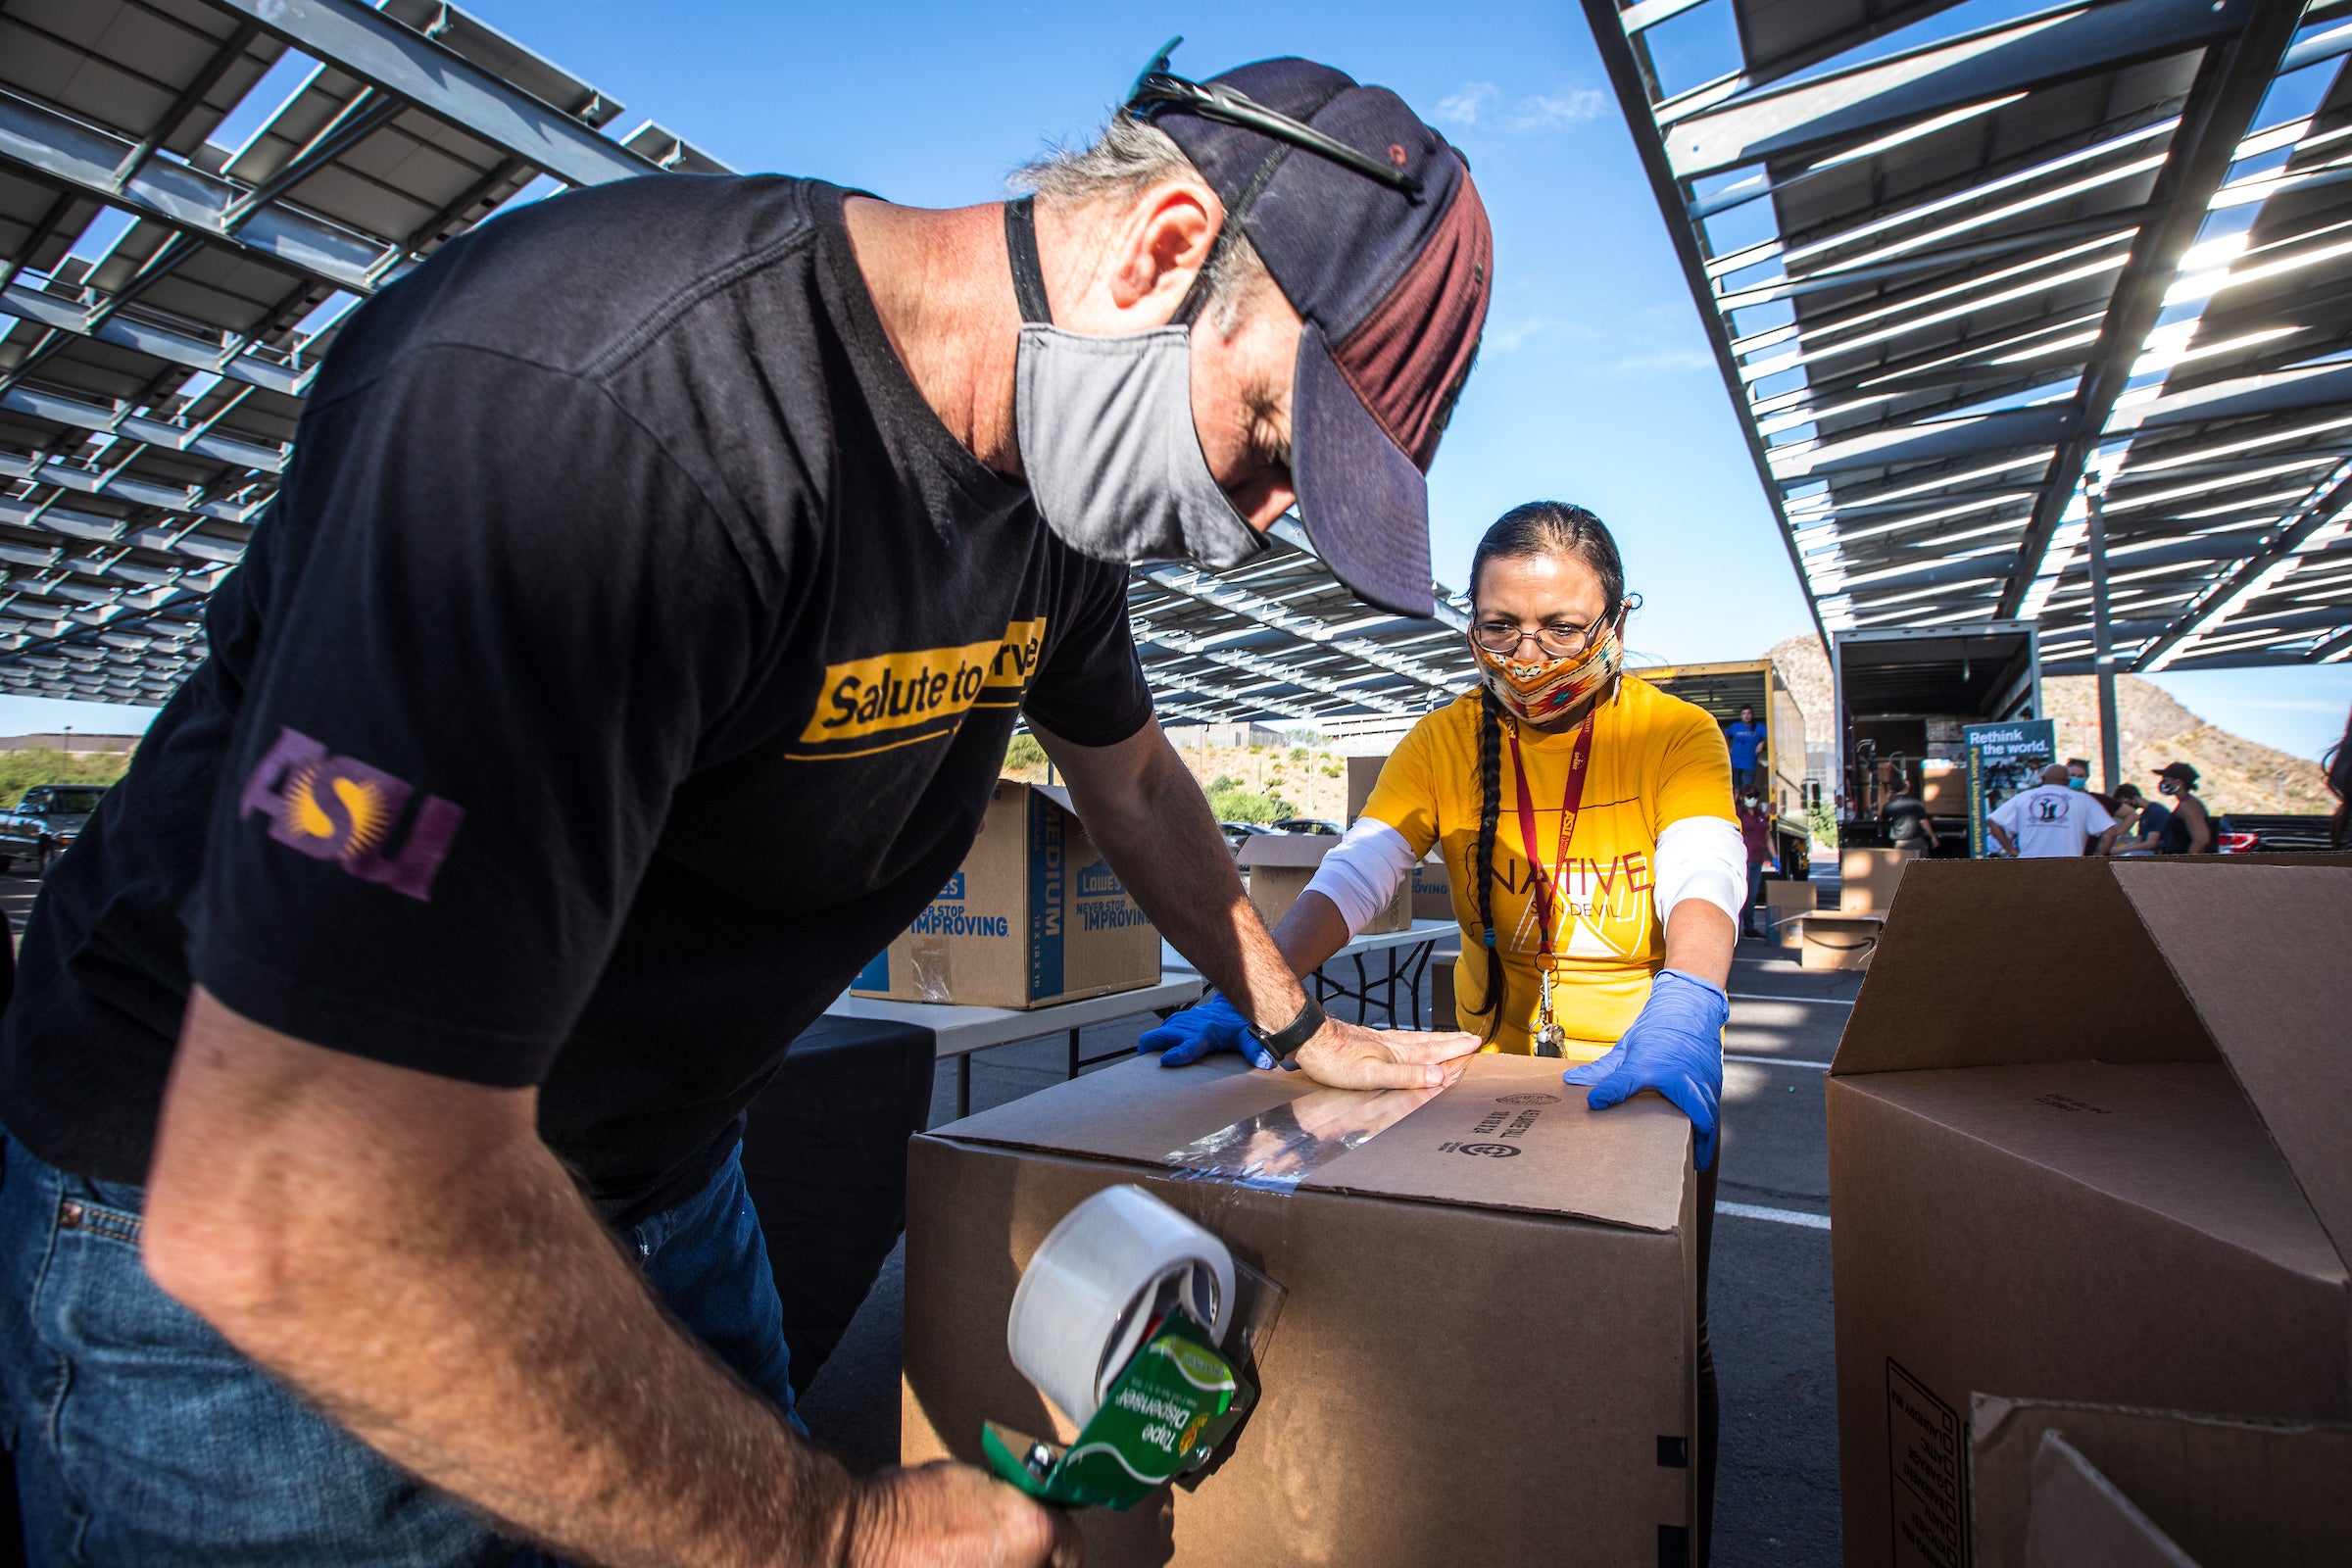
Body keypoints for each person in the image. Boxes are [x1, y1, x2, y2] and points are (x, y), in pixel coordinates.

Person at [0, 51, 1494, 1567]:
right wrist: (830, 1535)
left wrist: (1296, 1019)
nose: (1256, 525)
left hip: (653, 1175)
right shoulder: (598, 414)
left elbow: (1137, 777)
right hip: (288, 1257)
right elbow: (299, 1185)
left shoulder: (1050, 505)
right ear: (1162, 247)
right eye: (1269, 445)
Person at [1141, 502, 1740, 1562]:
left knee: (1660, 1340)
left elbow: (1704, 871)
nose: (1529, 655)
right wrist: (1256, 985)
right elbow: (1356, 877)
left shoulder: (1670, 733)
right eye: (1499, 627)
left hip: (1641, 1078)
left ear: (1619, 616)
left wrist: (1691, 1001)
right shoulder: (1448, 739)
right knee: (1497, 1315)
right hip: (1493, 1081)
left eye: (1561, 626)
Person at [1988, 763, 2118, 858]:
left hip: (2029, 865)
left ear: (2043, 779)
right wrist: (2098, 855)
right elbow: (2110, 832)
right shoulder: (2084, 800)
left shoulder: (2023, 798)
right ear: (2068, 781)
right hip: (2070, 867)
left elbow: (1993, 821)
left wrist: (2011, 850)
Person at [2149, 761, 2216, 854]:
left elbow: (2201, 840)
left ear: (2179, 782)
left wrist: (2188, 864)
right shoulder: (2186, 803)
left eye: (2166, 779)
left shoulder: (2188, 806)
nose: (2163, 782)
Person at [1737, 787, 1776, 938]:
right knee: (1741, 895)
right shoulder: (1739, 813)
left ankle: (1750, 927)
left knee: (1752, 896)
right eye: (1749, 796)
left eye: (1755, 796)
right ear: (1743, 797)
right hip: (1743, 860)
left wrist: (1775, 857)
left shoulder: (1760, 815)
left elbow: (1767, 837)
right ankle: (1736, 928)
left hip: (1757, 859)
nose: (1752, 799)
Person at [1883, 770, 1938, 858]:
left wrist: (1888, 800)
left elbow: (1884, 818)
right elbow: (1923, 822)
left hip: (1899, 842)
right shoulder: (1915, 803)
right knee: (1921, 867)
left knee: (1901, 867)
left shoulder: (1889, 806)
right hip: (1915, 841)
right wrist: (1932, 837)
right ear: (1905, 789)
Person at [1725, 703, 1766, 794]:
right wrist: (1728, 747)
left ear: (1752, 715)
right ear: (1741, 716)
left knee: (1748, 789)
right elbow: (1724, 735)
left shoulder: (1759, 727)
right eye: (1744, 713)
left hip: (1749, 764)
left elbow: (1768, 737)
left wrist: (1762, 743)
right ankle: (1737, 807)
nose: (1746, 716)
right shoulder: (1735, 726)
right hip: (1735, 763)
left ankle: (1746, 807)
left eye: (1749, 713)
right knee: (1735, 788)